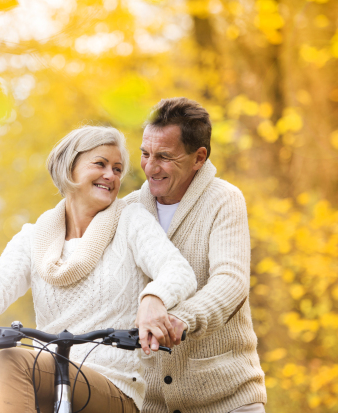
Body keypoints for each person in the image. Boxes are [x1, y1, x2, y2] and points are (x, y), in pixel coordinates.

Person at [0, 125, 197, 413]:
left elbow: (178, 271)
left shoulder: (130, 221)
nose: (110, 176)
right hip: (52, 378)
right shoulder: (34, 237)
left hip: (114, 386)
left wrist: (153, 299)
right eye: (100, 164)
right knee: (10, 366)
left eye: (117, 169)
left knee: (10, 361)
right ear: (69, 168)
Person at [125, 97, 267, 413]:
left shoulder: (224, 200)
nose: (150, 167)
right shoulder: (128, 209)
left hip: (227, 400)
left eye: (164, 156)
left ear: (198, 157)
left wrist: (180, 319)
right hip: (149, 404)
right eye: (145, 154)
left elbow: (231, 282)